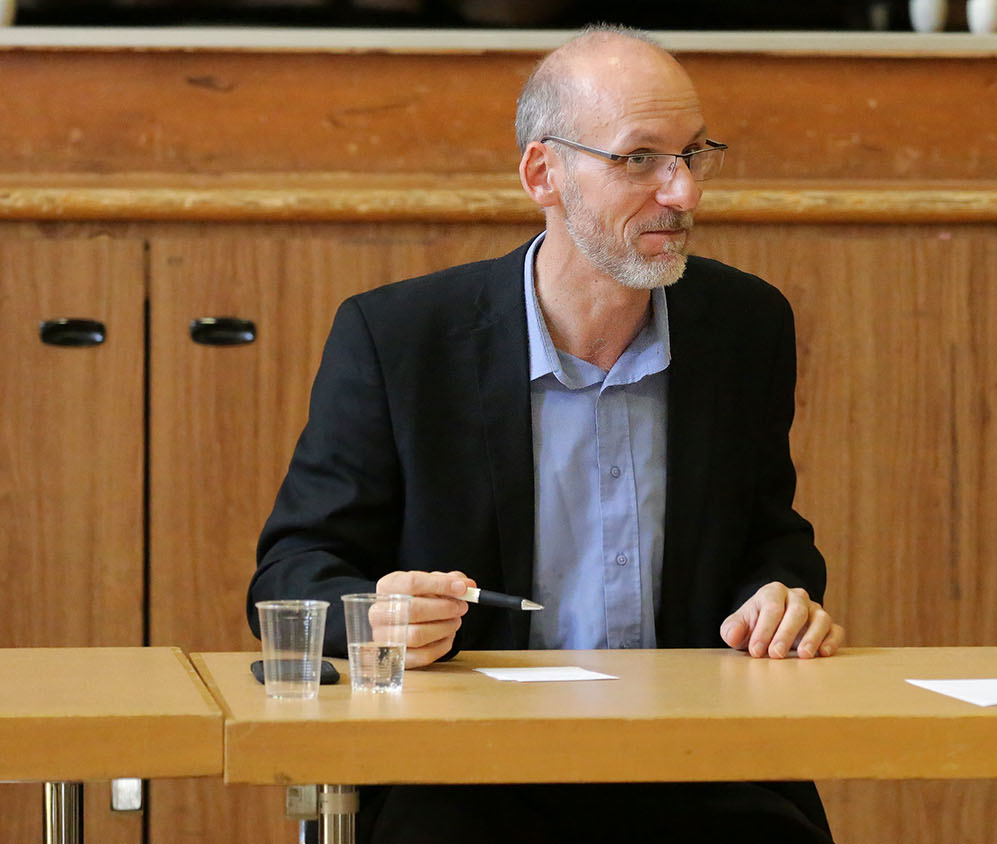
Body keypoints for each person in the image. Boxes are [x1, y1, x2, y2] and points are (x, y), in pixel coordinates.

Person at [249, 24, 842, 844]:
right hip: (466, 771)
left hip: (694, 762)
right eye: (639, 160)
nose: (684, 194)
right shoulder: (400, 337)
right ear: (544, 173)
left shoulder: (744, 325)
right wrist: (373, 617)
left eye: (694, 156)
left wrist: (781, 600)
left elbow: (770, 538)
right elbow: (290, 577)